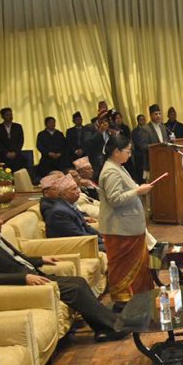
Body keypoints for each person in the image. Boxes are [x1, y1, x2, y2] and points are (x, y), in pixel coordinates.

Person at [0, 198, 127, 341]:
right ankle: (110, 327)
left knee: (78, 282)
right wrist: (24, 278)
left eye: (0, 216)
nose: (1, 221)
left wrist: (41, 259)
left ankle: (107, 326)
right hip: (23, 285)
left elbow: (14, 258)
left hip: (33, 274)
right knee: (75, 289)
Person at [98, 134, 154, 307]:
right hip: (120, 229)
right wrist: (137, 192)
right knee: (123, 267)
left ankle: (139, 299)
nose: (129, 154)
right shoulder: (110, 171)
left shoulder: (118, 167)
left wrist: (137, 188)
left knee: (139, 265)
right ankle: (124, 302)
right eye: (127, 151)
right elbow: (115, 199)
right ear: (116, 151)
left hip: (128, 227)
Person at [41, 173, 101, 246]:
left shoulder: (69, 205)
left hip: (84, 241)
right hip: (75, 246)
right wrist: (100, 241)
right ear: (64, 193)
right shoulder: (59, 212)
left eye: (77, 188)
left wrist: (102, 238)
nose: (78, 191)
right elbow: (76, 235)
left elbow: (87, 227)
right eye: (74, 189)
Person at [0, 107, 25, 173]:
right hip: (3, 156)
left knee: (18, 177)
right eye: (7, 115)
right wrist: (6, 153)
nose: (10, 117)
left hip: (17, 156)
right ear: (2, 116)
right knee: (5, 177)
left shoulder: (18, 126)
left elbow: (21, 141)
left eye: (11, 114)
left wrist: (15, 152)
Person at [82, 111, 111, 180]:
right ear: (98, 119)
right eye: (103, 119)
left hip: (108, 158)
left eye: (107, 120)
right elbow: (87, 142)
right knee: (99, 179)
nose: (105, 121)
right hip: (95, 159)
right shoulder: (89, 127)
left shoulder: (108, 127)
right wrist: (99, 132)